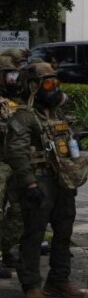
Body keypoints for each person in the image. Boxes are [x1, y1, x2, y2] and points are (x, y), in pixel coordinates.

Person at [5, 63, 88, 298]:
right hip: (39, 180)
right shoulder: (24, 116)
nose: (54, 88)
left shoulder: (58, 114)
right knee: (34, 233)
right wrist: (29, 184)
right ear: (34, 86)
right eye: (49, 83)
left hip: (62, 180)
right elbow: (16, 152)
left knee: (64, 231)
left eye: (56, 83)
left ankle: (59, 279)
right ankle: (31, 283)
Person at [0, 55, 24, 277]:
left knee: (19, 210)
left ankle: (6, 249)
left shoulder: (20, 100)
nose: (13, 79)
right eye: (9, 74)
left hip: (16, 162)